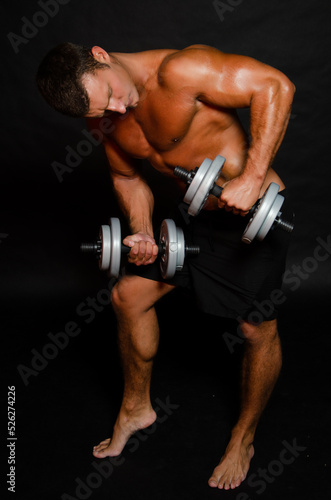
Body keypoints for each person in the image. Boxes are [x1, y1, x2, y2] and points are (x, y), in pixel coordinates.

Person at [36, 42, 295, 490]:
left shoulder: (181, 71)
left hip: (249, 219)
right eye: (101, 110)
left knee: (256, 329)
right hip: (191, 217)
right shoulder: (105, 115)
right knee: (128, 296)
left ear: (100, 55)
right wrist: (140, 229)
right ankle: (137, 409)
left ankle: (244, 436)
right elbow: (126, 176)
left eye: (113, 94)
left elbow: (275, 85)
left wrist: (253, 177)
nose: (116, 108)